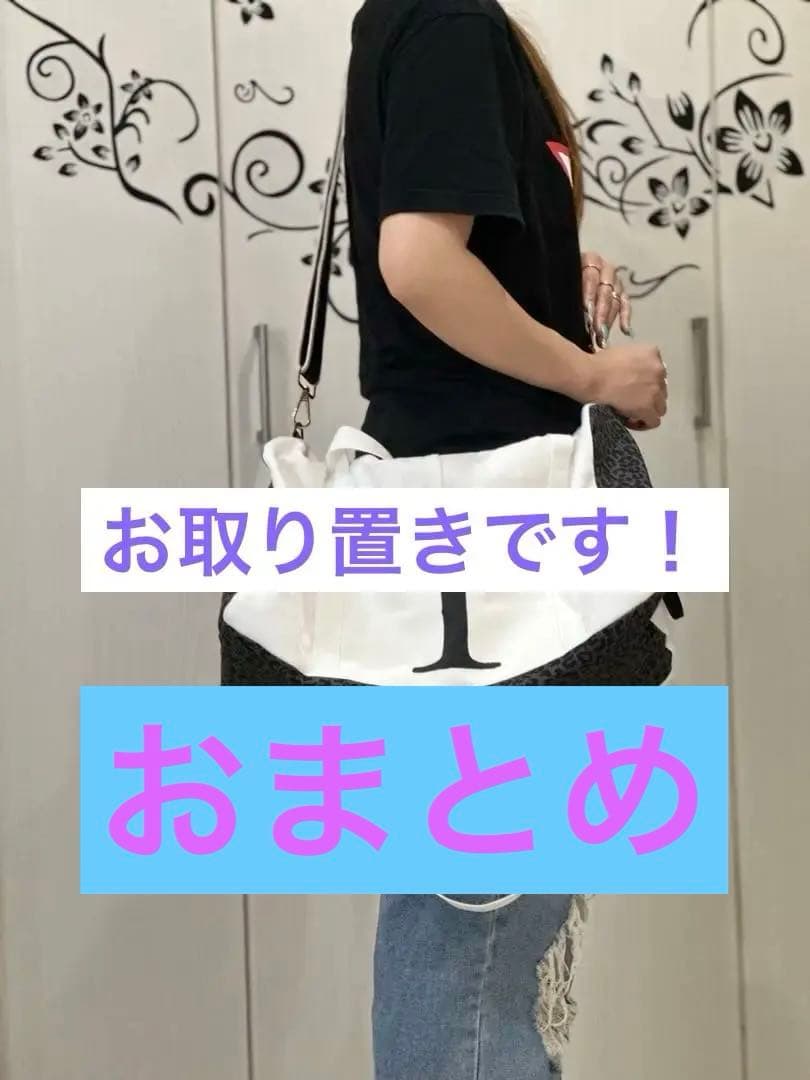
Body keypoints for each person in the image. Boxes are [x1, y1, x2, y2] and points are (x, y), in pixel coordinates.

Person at [341, 1, 667, 1078]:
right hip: (490, 533)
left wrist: (547, 269)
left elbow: (441, 258)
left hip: (465, 530)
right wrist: (593, 374)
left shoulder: (413, 20)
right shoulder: (448, 20)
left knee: (468, 919)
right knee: (472, 937)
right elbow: (417, 263)